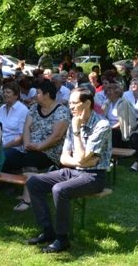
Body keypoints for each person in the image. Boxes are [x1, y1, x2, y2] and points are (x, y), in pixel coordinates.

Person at [25, 87, 112, 253]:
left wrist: (77, 131)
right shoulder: (73, 121)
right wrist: (82, 162)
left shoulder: (102, 125)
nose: (70, 106)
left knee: (60, 190)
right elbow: (64, 158)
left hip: (94, 176)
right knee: (33, 182)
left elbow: (81, 155)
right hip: (74, 170)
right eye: (69, 103)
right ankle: (47, 231)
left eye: (74, 103)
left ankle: (62, 238)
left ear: (87, 103)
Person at [2, 80, 69, 173]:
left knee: (29, 160)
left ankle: (32, 181)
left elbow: (56, 136)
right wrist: (27, 145)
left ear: (47, 95)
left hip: (48, 153)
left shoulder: (61, 111)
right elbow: (26, 128)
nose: (35, 95)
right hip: (29, 150)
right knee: (5, 158)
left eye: (38, 93)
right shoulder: (34, 108)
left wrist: (39, 147)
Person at [103, 82, 137, 148]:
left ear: (117, 93)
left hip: (121, 128)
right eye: (107, 91)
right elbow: (104, 117)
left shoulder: (125, 103)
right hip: (108, 127)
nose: (107, 93)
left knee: (113, 133)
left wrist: (112, 127)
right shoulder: (107, 104)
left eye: (110, 91)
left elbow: (125, 120)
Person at [0, 82, 29, 152]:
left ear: (16, 95)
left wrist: (3, 147)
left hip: (14, 148)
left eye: (8, 92)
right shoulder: (1, 108)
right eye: (4, 92)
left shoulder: (23, 110)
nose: (5, 94)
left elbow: (22, 137)